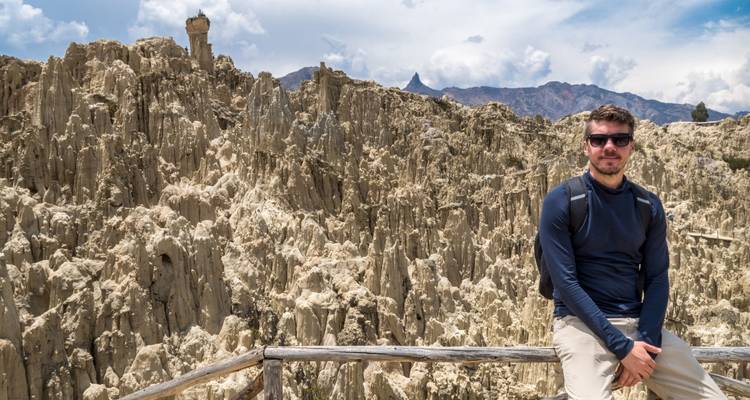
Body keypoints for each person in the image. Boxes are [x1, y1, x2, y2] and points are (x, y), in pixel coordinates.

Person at [538, 104, 726, 399]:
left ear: (631, 146)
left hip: (638, 326)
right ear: (586, 146)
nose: (609, 147)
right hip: (580, 326)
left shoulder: (647, 205)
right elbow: (566, 284)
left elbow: (657, 278)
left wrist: (645, 345)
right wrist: (623, 348)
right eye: (599, 139)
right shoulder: (562, 201)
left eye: (619, 139)